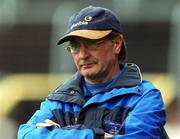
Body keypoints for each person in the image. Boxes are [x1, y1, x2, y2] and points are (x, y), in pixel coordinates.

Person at [18, 6, 169, 139]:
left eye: (92, 44)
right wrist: (98, 136)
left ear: (116, 44)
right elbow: (26, 135)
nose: (83, 55)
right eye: (75, 46)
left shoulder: (145, 97)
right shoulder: (59, 99)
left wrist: (60, 133)